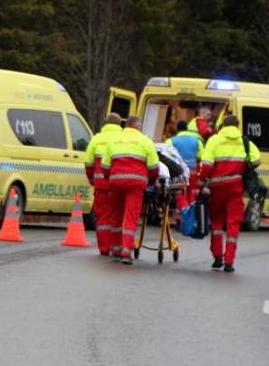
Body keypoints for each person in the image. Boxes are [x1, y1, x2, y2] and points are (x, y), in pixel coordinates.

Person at [198, 114, 261, 273]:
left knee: (217, 222)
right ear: (237, 125)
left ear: (223, 125)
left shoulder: (215, 140)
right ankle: (229, 262)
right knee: (233, 223)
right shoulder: (244, 141)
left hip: (217, 187)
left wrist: (201, 181)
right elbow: (256, 160)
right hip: (235, 187)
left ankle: (218, 257)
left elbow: (206, 166)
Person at [100, 115, 159, 264]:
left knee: (115, 216)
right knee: (130, 217)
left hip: (116, 182)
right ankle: (126, 251)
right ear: (138, 127)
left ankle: (115, 249)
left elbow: (105, 166)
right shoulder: (145, 141)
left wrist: (111, 178)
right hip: (136, 184)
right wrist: (151, 181)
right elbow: (153, 167)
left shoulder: (114, 140)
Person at [84, 112, 124, 257]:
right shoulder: (122, 139)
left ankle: (104, 248)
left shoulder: (96, 139)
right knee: (118, 215)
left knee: (102, 217)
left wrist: (91, 179)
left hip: (100, 184)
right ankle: (117, 246)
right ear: (120, 124)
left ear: (105, 123)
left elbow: (88, 163)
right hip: (118, 184)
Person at [167, 119, 204, 201]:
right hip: (193, 172)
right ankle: (191, 211)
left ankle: (182, 211)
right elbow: (201, 156)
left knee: (180, 193)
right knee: (192, 194)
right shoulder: (197, 141)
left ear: (177, 129)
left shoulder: (171, 141)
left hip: (178, 172)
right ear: (187, 128)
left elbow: (167, 157)